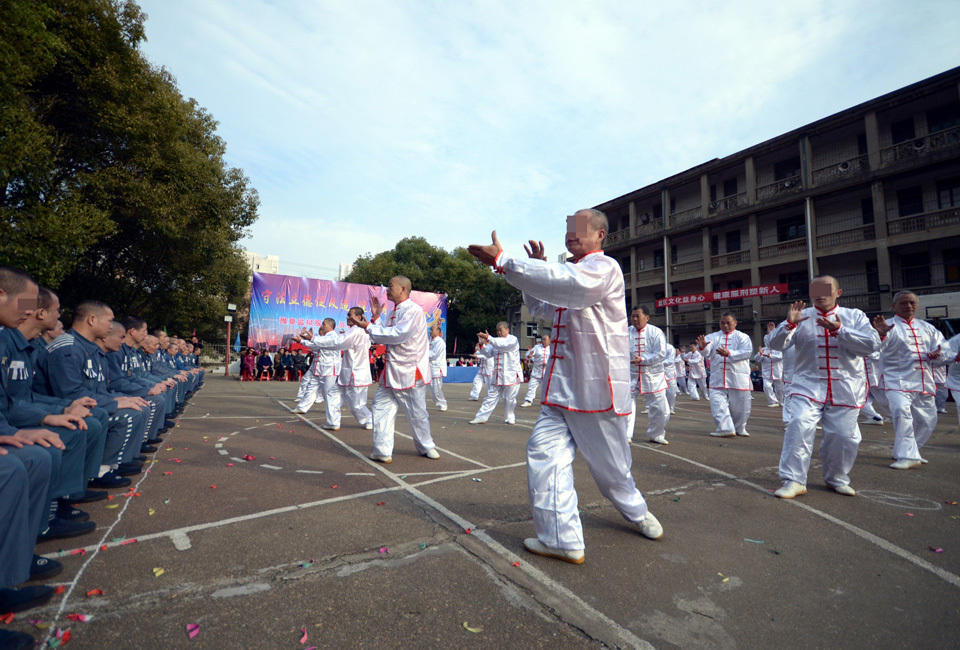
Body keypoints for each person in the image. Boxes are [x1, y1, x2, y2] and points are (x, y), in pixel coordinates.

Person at [468, 209, 662, 565]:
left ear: (601, 235)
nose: (571, 234)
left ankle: (636, 511)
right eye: (568, 229)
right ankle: (562, 538)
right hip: (560, 390)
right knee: (544, 455)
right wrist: (531, 275)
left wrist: (505, 261)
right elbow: (544, 306)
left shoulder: (604, 268)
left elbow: (570, 285)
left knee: (612, 469)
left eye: (581, 229)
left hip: (594, 390)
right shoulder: (568, 273)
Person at [768, 275, 880, 498]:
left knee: (843, 436)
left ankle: (836, 478)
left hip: (846, 387)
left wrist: (840, 331)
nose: (820, 293)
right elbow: (774, 344)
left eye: (826, 289)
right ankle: (794, 480)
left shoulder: (854, 316)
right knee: (798, 425)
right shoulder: (801, 316)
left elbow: (871, 345)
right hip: (807, 385)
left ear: (838, 293)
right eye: (815, 289)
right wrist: (788, 324)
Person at [353, 276, 439, 462]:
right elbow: (384, 335)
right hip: (392, 371)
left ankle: (426, 446)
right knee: (380, 407)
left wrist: (368, 325)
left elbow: (397, 335)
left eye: (390, 286)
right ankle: (382, 450)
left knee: (416, 413)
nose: (387, 290)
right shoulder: (394, 311)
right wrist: (376, 318)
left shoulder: (413, 310)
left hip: (410, 371)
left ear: (403, 289)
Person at [871, 291, 946, 469]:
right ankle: (907, 455)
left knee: (928, 420)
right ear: (894, 306)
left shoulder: (927, 328)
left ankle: (913, 450)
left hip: (923, 380)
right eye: (904, 303)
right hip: (896, 380)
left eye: (912, 303)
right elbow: (872, 349)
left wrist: (938, 354)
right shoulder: (886, 325)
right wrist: (880, 335)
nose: (909, 306)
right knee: (901, 413)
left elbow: (944, 351)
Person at [696, 313, 753, 437]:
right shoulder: (713, 337)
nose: (725, 325)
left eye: (728, 322)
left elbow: (747, 352)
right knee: (717, 403)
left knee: (741, 406)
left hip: (738, 377)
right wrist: (702, 348)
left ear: (735, 323)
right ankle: (725, 428)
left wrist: (729, 353)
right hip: (718, 376)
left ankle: (740, 428)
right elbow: (706, 352)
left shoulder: (743, 337)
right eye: (722, 323)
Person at [626, 306, 669, 444]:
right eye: (632, 316)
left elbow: (661, 353)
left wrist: (643, 359)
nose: (634, 319)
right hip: (631, 374)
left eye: (637, 316)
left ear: (647, 317)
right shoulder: (626, 332)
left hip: (653, 375)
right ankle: (626, 435)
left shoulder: (655, 332)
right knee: (626, 405)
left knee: (661, 408)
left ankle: (656, 434)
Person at [293, 318, 343, 429]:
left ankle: (334, 421)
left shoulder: (333, 337)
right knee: (311, 387)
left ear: (330, 325)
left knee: (329, 394)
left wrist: (309, 338)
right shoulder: (324, 338)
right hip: (319, 368)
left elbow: (320, 342)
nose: (322, 326)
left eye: (323, 324)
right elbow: (316, 345)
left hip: (330, 369)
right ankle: (302, 407)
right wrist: (301, 341)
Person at [469, 322, 522, 425]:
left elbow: (503, 345)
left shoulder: (512, 340)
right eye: (497, 330)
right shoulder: (495, 341)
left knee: (510, 399)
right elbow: (488, 354)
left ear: (507, 330)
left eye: (500, 330)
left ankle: (509, 417)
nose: (498, 332)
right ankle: (481, 417)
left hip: (511, 374)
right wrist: (481, 344)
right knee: (491, 396)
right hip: (497, 374)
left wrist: (489, 338)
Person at [754, 324, 784, 407]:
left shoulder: (779, 348)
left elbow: (780, 357)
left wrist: (769, 356)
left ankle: (780, 401)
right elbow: (757, 359)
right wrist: (761, 354)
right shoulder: (763, 349)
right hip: (767, 372)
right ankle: (773, 401)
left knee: (780, 388)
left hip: (777, 371)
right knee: (767, 387)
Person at [521, 335, 550, 407]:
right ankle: (528, 400)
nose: (543, 341)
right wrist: (529, 356)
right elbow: (528, 354)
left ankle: (547, 402)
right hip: (536, 371)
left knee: (548, 389)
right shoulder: (537, 347)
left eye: (545, 339)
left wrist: (547, 363)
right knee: (532, 386)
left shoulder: (552, 348)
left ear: (549, 340)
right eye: (542, 339)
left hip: (547, 372)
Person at [428, 324, 448, 411]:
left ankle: (442, 403)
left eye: (432, 330)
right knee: (430, 389)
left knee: (436, 389)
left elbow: (434, 355)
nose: (431, 331)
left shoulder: (440, 342)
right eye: (431, 330)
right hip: (429, 368)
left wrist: (422, 354)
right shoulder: (430, 341)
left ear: (438, 332)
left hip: (436, 368)